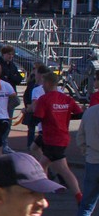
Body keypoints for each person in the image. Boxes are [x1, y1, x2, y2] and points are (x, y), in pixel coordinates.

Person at [30, 70, 83, 200]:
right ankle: (43, 191)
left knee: (60, 169)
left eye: (43, 84)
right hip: (62, 137)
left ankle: (77, 195)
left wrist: (28, 111)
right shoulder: (66, 99)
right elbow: (79, 114)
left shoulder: (44, 99)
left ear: (48, 83)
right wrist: (65, 116)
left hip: (52, 139)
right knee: (46, 165)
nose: (42, 86)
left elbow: (37, 118)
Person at [69, 91, 99, 216]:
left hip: (92, 160)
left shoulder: (90, 112)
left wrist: (86, 152)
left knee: (86, 205)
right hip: (93, 158)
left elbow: (80, 137)